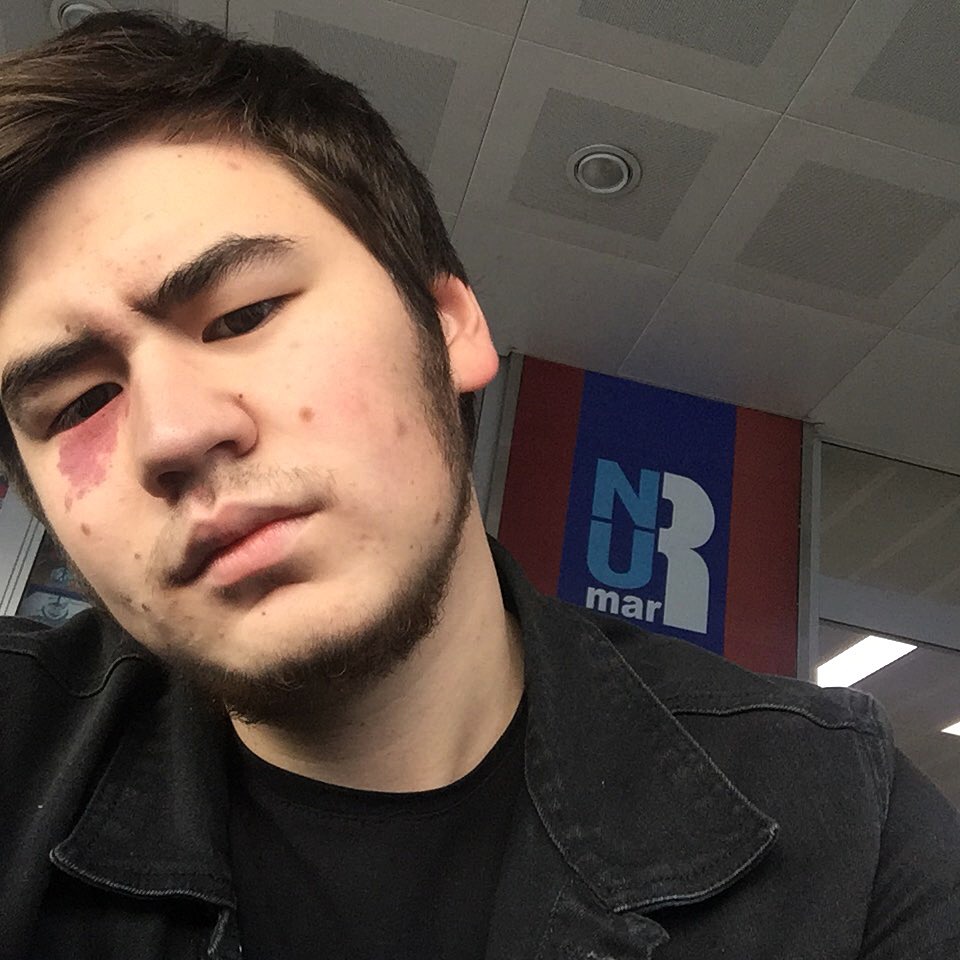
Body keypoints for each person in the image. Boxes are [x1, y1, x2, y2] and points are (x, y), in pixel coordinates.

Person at [0, 11, 956, 960]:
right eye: (78, 403)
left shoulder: (843, 825)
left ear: (449, 325)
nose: (173, 434)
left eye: (243, 314)